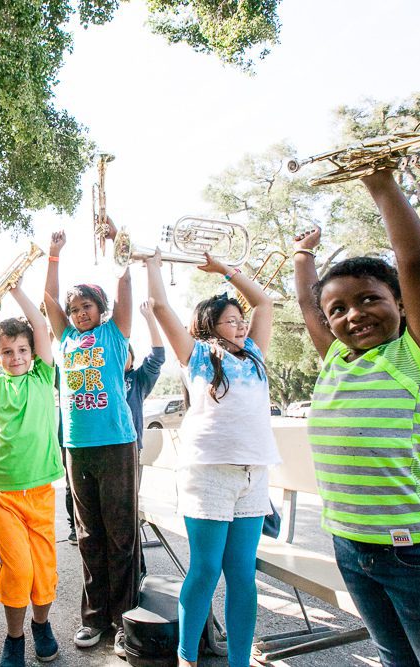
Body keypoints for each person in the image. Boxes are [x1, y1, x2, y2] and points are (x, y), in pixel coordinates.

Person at [292, 170, 420, 666]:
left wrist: (381, 184)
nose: (353, 314)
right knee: (396, 660)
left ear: (399, 302)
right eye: (339, 310)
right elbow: (310, 307)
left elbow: (416, 262)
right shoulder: (336, 359)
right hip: (352, 547)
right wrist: (302, 256)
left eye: (369, 298)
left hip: (419, 553)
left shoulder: (416, 357)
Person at [145, 249, 278, 667]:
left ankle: (239, 661)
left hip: (253, 476)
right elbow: (162, 306)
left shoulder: (255, 353)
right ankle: (188, 658)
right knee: (204, 571)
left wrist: (225, 271)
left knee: (241, 574)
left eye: (241, 320)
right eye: (231, 321)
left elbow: (265, 302)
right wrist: (151, 263)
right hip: (208, 476)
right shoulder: (198, 356)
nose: (241, 326)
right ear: (209, 327)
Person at [44, 226, 138, 658]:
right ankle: (94, 616)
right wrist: (54, 257)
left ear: (101, 309)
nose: (80, 313)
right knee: (88, 535)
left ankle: (125, 620)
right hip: (77, 447)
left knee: (121, 534)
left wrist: (121, 247)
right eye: (75, 308)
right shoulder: (65, 339)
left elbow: (124, 287)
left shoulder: (113, 334)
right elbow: (49, 302)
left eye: (88, 306)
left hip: (117, 443)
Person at [0, 282, 64, 667]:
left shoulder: (44, 377)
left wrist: (14, 291)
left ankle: (41, 625)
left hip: (41, 489)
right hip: (0, 493)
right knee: (18, 569)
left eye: (22, 350)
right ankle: (14, 638)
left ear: (32, 353)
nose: (16, 357)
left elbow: (41, 327)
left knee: (43, 571)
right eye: (7, 352)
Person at [125, 300, 166, 449]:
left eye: (125, 351)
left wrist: (150, 318)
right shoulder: (100, 379)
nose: (120, 355)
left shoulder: (138, 380)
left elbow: (157, 356)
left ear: (132, 356)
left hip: (131, 448)